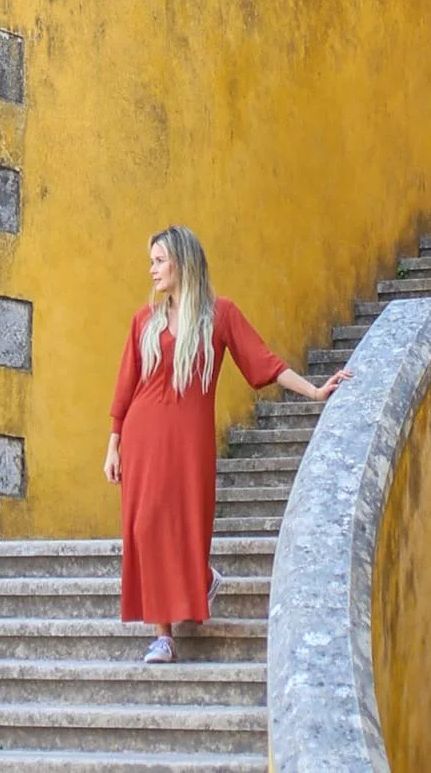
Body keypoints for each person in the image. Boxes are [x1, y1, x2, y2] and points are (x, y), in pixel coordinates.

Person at [104, 225, 351, 663]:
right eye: (152, 261)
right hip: (142, 439)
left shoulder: (221, 315)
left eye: (160, 260)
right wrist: (113, 443)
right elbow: (127, 383)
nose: (153, 269)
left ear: (183, 262)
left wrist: (314, 391)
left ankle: (198, 580)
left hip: (188, 442)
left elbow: (263, 362)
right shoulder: (145, 320)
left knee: (182, 522)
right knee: (144, 527)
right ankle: (163, 636)